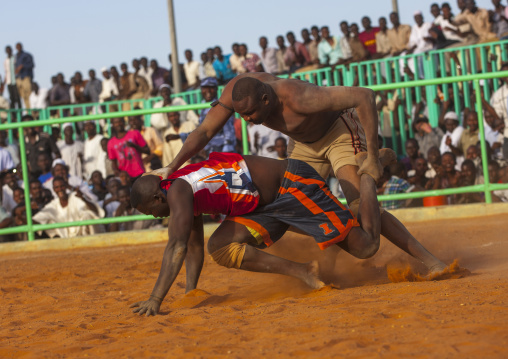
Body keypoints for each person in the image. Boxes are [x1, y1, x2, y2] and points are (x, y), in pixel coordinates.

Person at [147, 72, 447, 276]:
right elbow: (205, 130)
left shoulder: (300, 97)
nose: (248, 121)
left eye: (250, 114)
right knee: (301, 203)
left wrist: (369, 157)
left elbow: (365, 97)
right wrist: (172, 166)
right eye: (241, 115)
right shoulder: (238, 91)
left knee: (361, 208)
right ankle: (332, 268)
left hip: (339, 133)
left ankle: (431, 261)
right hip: (303, 144)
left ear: (266, 100)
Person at [130, 150, 398, 316]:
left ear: (156, 198)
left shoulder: (177, 191)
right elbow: (193, 245)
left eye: (151, 212)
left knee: (366, 247)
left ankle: (369, 174)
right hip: (263, 206)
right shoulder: (180, 188)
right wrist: (191, 291)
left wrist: (155, 299)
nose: (155, 217)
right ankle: (304, 270)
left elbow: (176, 246)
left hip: (290, 188)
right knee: (220, 247)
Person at [32, 176, 104, 238]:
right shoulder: (53, 205)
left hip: (85, 235)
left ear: (65, 186)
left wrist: (84, 199)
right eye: (57, 187)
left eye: (62, 186)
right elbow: (36, 220)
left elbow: (96, 211)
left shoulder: (76, 196)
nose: (60, 189)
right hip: (66, 239)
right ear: (54, 189)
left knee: (87, 215)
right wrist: (26, 208)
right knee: (50, 222)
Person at [14, 43, 34, 108]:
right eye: (17, 47)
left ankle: (32, 111)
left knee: (29, 95)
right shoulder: (16, 56)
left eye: (19, 46)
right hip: (18, 78)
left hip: (26, 77)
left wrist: (22, 66)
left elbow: (32, 65)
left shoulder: (27, 55)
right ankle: (28, 111)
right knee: (23, 96)